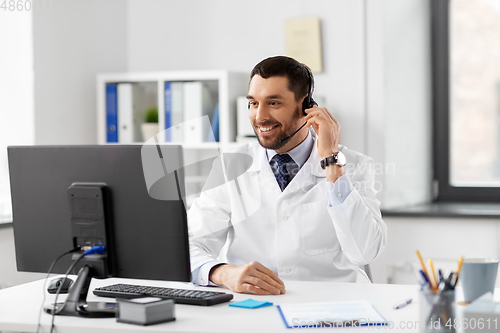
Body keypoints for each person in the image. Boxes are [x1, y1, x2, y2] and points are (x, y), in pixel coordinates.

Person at [188, 56, 387, 295]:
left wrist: (331, 162)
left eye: (273, 103)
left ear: (306, 108)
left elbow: (365, 251)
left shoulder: (354, 165)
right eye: (253, 103)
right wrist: (222, 272)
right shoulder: (230, 166)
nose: (259, 116)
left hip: (334, 305)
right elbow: (190, 245)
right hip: (255, 305)